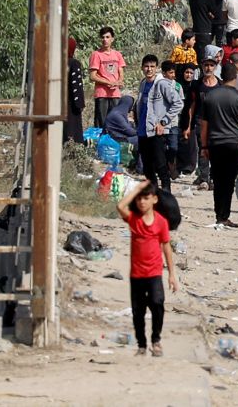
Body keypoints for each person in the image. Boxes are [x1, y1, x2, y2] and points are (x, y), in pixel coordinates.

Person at [116, 180, 178, 357]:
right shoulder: (134, 220)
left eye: (146, 198)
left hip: (154, 273)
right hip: (136, 274)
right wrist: (136, 189)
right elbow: (120, 205)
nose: (142, 202)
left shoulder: (161, 222)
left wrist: (172, 274)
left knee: (158, 304)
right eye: (139, 199)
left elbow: (166, 247)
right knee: (138, 311)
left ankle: (156, 340)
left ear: (155, 200)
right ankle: (141, 344)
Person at [199, 62, 238, 228]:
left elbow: (204, 125)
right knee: (228, 181)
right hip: (234, 144)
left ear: (221, 76)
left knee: (218, 180)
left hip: (215, 144)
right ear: (236, 77)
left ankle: (219, 215)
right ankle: (224, 215)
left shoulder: (210, 97)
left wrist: (204, 146)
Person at [134, 54, 184, 194]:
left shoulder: (162, 84)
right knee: (147, 165)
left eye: (152, 67)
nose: (149, 69)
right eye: (146, 66)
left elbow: (178, 103)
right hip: (143, 130)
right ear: (142, 68)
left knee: (161, 163)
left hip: (157, 131)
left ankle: (166, 191)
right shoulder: (143, 83)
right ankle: (154, 192)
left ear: (156, 68)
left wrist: (164, 122)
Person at [89, 27, 126, 127]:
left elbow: (121, 71)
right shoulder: (96, 54)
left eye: (107, 37)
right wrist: (108, 82)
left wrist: (119, 81)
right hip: (102, 94)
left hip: (115, 94)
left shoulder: (117, 54)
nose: (105, 39)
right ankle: (100, 142)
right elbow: (92, 76)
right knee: (101, 123)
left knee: (115, 122)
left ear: (112, 39)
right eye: (103, 37)